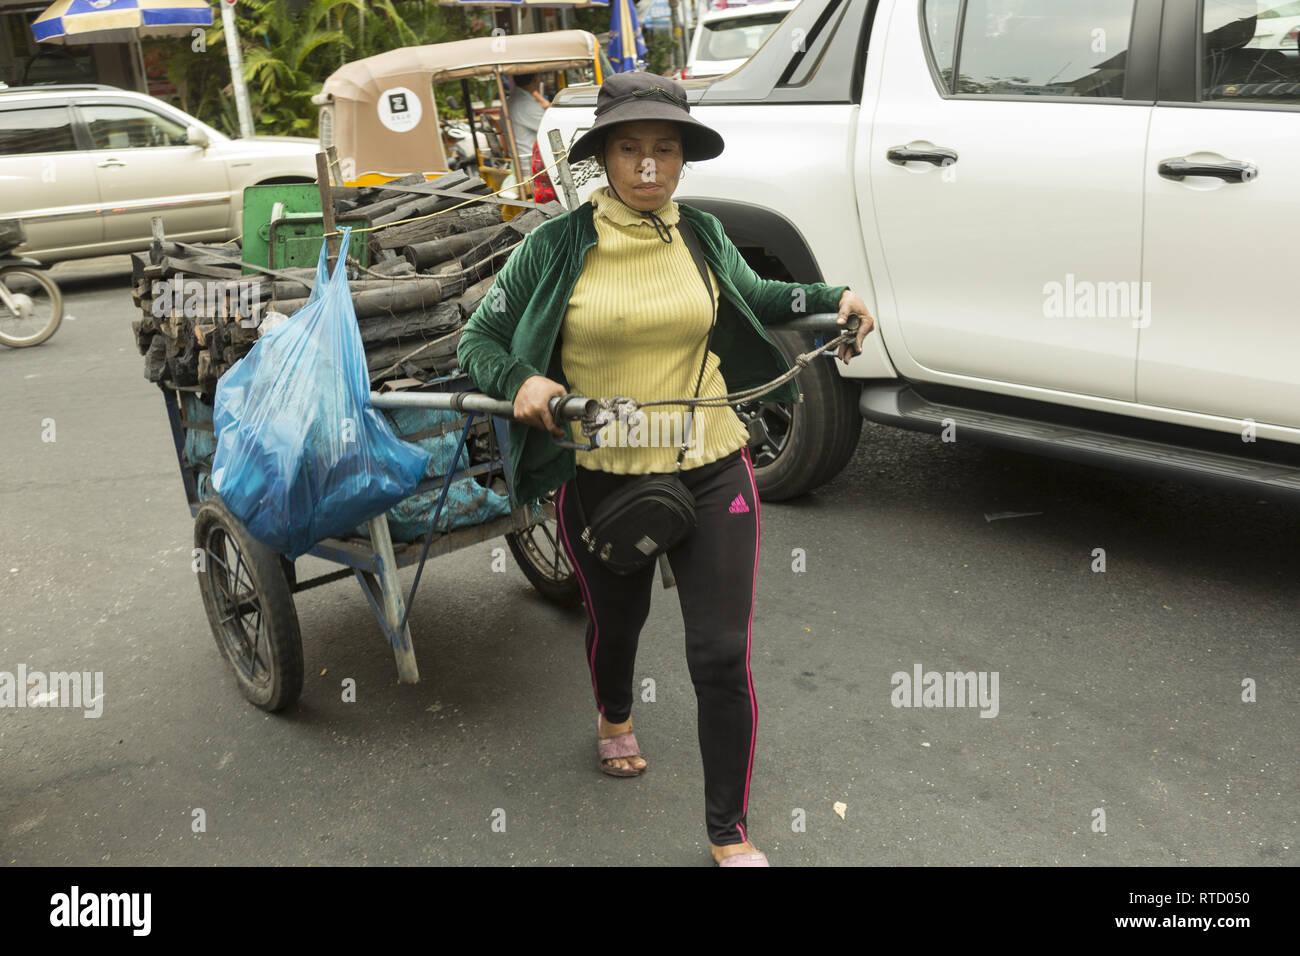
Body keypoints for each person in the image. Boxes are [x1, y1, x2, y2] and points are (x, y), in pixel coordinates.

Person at [455, 71, 873, 866]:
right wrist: (524, 382)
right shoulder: (556, 244)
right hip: (604, 471)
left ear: (682, 159)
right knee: (618, 624)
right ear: (603, 157)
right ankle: (615, 712)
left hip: (713, 461)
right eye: (630, 150)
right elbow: (480, 340)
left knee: (719, 652)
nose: (648, 167)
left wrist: (833, 293)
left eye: (664, 150)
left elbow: (761, 294)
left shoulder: (702, 236)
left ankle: (729, 832)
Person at [505, 73, 550, 172]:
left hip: (522, 162)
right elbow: (551, 128)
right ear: (534, 80)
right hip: (531, 165)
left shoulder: (511, 101)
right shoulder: (525, 105)